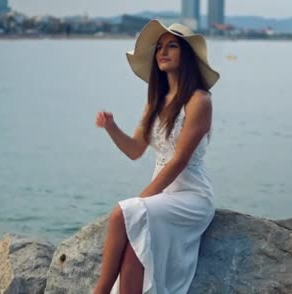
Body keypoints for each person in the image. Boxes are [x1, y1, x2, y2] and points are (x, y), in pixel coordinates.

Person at [94, 20, 220, 294]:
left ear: (186, 55)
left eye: (171, 46)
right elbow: (135, 150)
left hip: (192, 197)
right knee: (133, 253)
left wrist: (141, 201)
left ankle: (99, 292)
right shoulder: (155, 101)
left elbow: (179, 160)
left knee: (121, 215)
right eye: (159, 47)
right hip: (162, 197)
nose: (163, 51)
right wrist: (111, 127)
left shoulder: (199, 101)